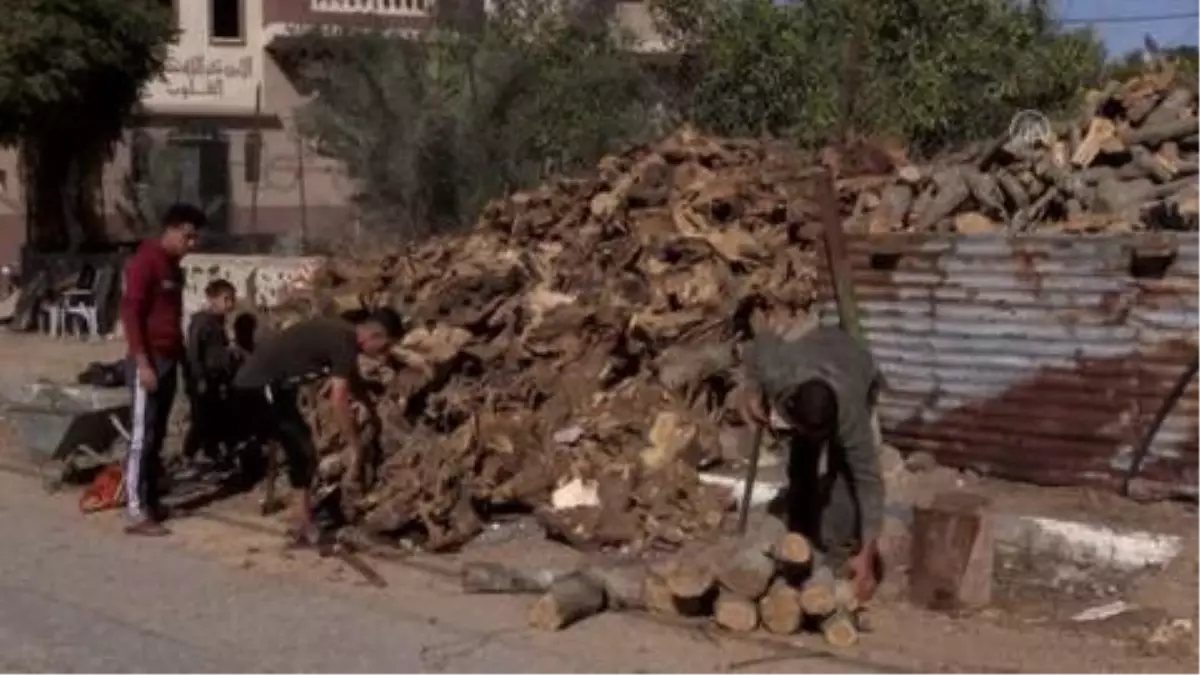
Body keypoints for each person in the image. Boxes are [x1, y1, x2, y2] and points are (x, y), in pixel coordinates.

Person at [232, 308, 404, 542]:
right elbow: (338, 399)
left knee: (300, 447)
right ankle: (302, 523)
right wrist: (355, 446)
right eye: (383, 348)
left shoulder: (343, 334)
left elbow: (352, 379)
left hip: (274, 386)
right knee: (301, 448)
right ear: (374, 336)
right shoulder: (344, 342)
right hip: (257, 387)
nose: (382, 356)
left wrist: (369, 406)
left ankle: (301, 519)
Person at [741, 324, 884, 604]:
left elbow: (869, 484)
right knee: (801, 463)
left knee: (844, 475)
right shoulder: (780, 372)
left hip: (856, 366)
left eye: (822, 433)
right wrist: (751, 388)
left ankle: (837, 553)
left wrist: (868, 555)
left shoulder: (850, 416)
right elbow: (760, 342)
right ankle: (799, 539)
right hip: (815, 353)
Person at [119, 203, 205, 536]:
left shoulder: (174, 268)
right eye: (188, 236)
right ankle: (136, 510)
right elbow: (132, 315)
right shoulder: (145, 262)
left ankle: (152, 501)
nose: (192, 244)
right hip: (149, 360)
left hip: (169, 359)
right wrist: (142, 363)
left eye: (196, 238)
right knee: (142, 436)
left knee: (157, 435)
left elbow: (173, 318)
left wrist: (183, 362)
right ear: (170, 230)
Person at [182, 279, 241, 470]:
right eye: (226, 299)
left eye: (232, 299)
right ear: (212, 299)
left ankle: (213, 452)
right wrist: (198, 378)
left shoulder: (219, 322)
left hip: (216, 378)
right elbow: (193, 352)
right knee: (201, 419)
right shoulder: (201, 322)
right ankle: (188, 454)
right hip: (203, 379)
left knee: (215, 416)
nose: (230, 304)